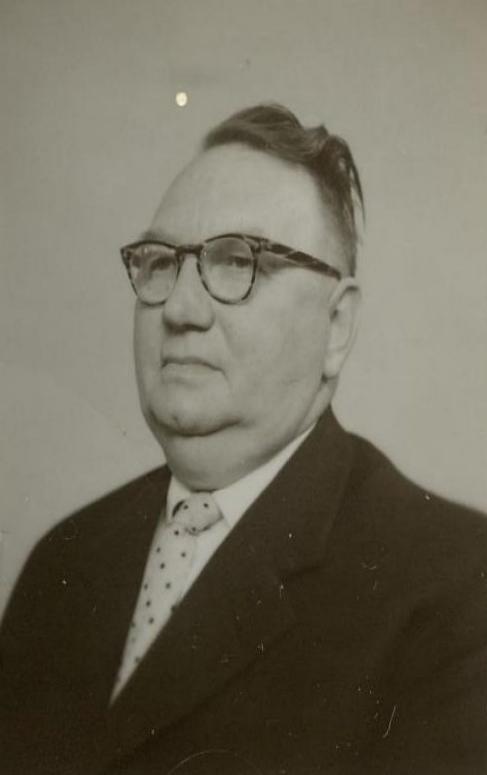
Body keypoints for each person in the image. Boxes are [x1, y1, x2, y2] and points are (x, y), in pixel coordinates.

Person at [1, 103, 487, 775]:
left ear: (336, 326)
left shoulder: (456, 585)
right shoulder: (67, 559)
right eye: (159, 262)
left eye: (237, 262)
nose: (179, 309)